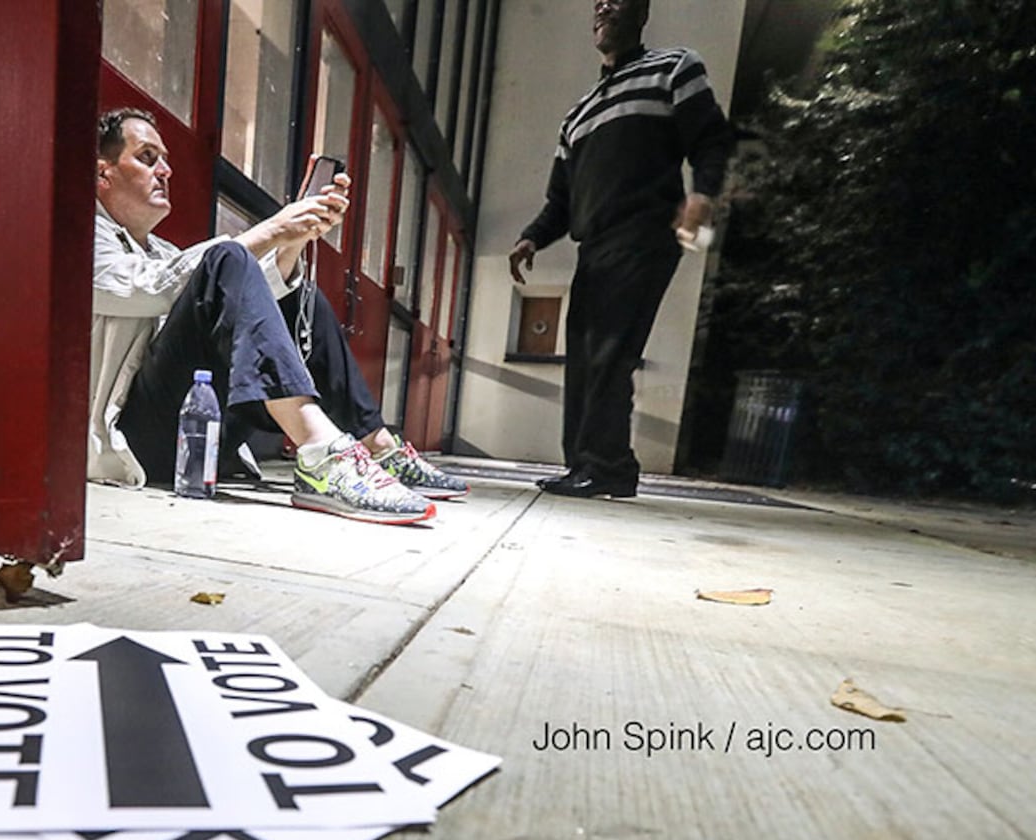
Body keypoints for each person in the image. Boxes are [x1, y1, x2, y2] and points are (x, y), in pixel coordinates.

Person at [90, 107, 467, 524]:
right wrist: (271, 229)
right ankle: (322, 455)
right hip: (137, 442)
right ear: (102, 173)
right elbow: (148, 287)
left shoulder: (163, 252)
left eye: (164, 159)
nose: (165, 170)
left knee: (299, 295)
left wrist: (293, 241)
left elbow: (238, 303)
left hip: (203, 436)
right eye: (147, 157)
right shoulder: (82, 237)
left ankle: (378, 447)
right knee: (226, 260)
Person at [509, 0, 735, 498]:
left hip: (647, 232)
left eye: (619, 1)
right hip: (595, 245)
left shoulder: (674, 66)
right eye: (599, 3)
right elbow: (560, 201)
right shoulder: (577, 115)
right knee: (586, 355)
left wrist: (702, 195)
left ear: (642, 13)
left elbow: (711, 138)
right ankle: (593, 465)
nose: (606, 7)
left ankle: (604, 465)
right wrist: (531, 237)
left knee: (611, 349)